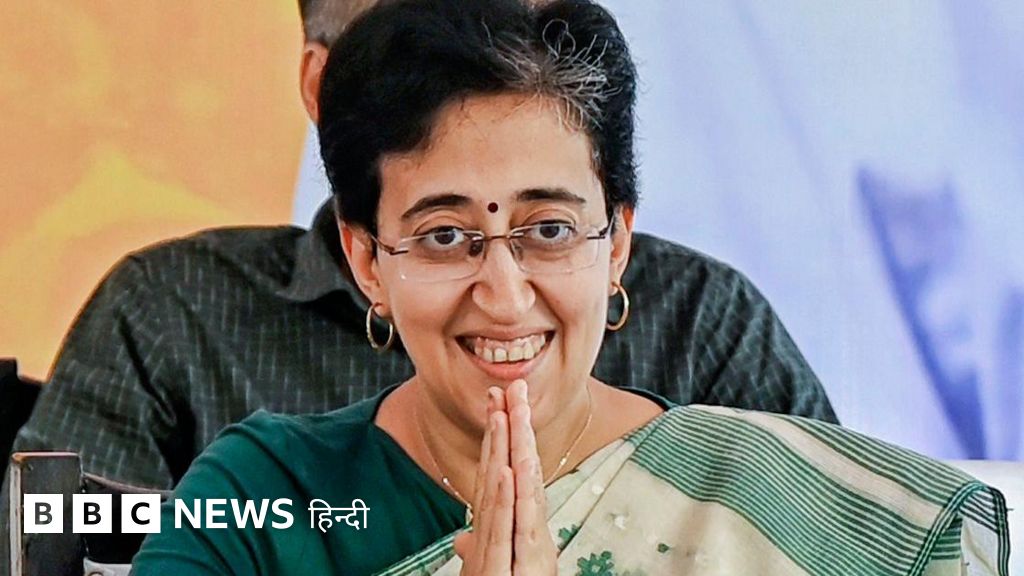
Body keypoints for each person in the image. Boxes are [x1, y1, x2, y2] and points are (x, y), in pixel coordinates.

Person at [131, 1, 1009, 573]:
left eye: (548, 230)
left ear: (617, 241)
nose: (505, 294)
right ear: (367, 260)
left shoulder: (761, 501)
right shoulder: (265, 501)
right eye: (446, 237)